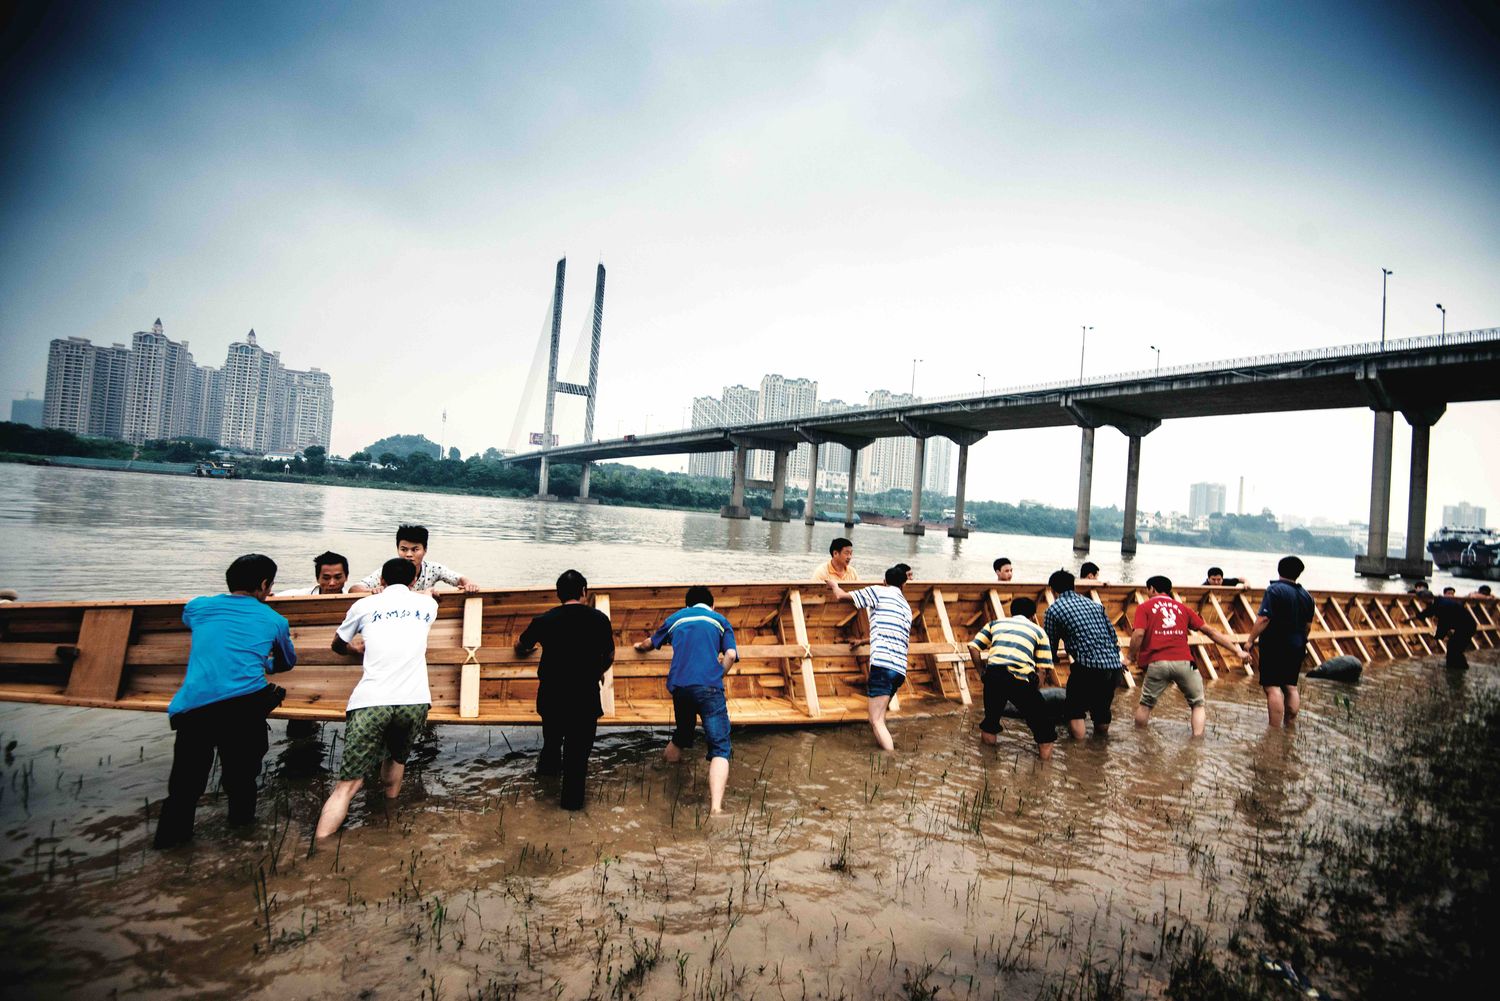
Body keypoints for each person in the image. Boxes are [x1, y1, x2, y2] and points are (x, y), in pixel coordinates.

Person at [153, 554, 295, 849]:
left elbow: (190, 619)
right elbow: (286, 662)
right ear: (265, 585)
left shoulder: (199, 607)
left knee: (184, 787)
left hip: (195, 709)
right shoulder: (275, 620)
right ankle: (241, 838)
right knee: (241, 781)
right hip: (243, 710)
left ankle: (170, 846)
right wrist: (265, 664)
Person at [315, 557, 439, 840]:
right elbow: (426, 598)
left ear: (381, 581)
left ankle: (320, 846)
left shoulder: (364, 604)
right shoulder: (427, 604)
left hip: (371, 701)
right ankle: (387, 820)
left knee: (347, 785)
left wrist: (352, 649)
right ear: (412, 582)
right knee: (396, 760)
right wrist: (424, 592)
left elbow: (337, 645)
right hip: (414, 700)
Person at [514, 569, 615, 810]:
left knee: (551, 743)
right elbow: (610, 654)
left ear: (558, 594)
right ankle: (570, 810)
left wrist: (525, 649)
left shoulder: (544, 620)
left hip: (552, 696)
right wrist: (598, 669)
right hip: (585, 696)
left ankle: (544, 789)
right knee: (577, 755)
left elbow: (521, 644)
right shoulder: (599, 620)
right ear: (584, 592)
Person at [633, 586, 738, 815]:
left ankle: (669, 776)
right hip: (709, 688)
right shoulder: (720, 620)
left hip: (680, 688)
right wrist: (719, 674)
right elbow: (730, 654)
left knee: (682, 734)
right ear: (712, 605)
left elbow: (649, 643)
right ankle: (716, 809)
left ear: (687, 604)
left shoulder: (676, 618)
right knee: (720, 747)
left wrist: (638, 647)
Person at [1129, 575, 1248, 737]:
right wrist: (1237, 651)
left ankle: (1139, 740)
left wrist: (1130, 657)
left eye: (1148, 590)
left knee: (1146, 705)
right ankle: (1196, 743)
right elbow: (1211, 633)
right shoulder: (1183, 608)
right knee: (1198, 705)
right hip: (1184, 662)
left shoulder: (1144, 607)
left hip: (1158, 663)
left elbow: (1138, 635)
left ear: (1152, 589)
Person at [829, 565, 913, 751]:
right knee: (880, 716)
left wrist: (834, 584)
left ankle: (889, 760)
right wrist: (862, 641)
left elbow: (841, 596)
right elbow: (889, 633)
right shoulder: (906, 608)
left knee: (874, 720)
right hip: (899, 669)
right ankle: (884, 751)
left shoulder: (879, 591)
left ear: (884, 582)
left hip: (882, 666)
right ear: (903, 585)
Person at [968, 596, 1057, 759]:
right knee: (1044, 728)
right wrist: (1035, 692)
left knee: (990, 723)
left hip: (993, 676)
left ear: (1012, 612)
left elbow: (973, 646)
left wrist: (982, 672)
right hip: (1019, 678)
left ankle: (988, 767)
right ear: (1032, 615)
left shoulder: (996, 624)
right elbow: (1043, 669)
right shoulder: (1038, 630)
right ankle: (1045, 769)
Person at [1043, 569, 1124, 738]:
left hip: (1088, 667)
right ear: (1073, 587)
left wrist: (1051, 662)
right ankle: (1099, 749)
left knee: (1074, 710)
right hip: (1114, 666)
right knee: (1101, 710)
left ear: (1053, 590)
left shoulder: (1054, 610)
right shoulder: (1096, 606)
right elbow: (1113, 637)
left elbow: (1049, 643)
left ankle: (1078, 753)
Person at [1246, 556, 1315, 727]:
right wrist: (1301, 641)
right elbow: (1307, 626)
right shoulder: (1307, 596)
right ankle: (1290, 724)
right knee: (1290, 686)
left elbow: (1264, 619)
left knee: (1272, 687)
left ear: (1279, 570)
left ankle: (1275, 730)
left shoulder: (1274, 590)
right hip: (1298, 645)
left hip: (1275, 645)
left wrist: (1250, 641)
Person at [351, 524, 478, 594]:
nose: (409, 554)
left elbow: (459, 579)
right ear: (397, 549)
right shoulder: (388, 570)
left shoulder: (434, 569)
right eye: (404, 549)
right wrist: (372, 590)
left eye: (415, 549)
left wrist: (469, 584)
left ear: (425, 550)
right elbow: (354, 589)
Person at [1413, 586, 1478, 670]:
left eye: (1421, 600)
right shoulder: (1438, 601)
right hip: (1463, 626)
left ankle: (1459, 668)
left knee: (1454, 648)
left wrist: (1437, 636)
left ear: (1425, 599)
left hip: (1467, 626)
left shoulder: (1442, 606)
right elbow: (1430, 611)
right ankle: (1454, 667)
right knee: (1453, 647)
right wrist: (1419, 616)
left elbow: (1444, 624)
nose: (1421, 602)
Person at [282, 551, 351, 595]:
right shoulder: (298, 597)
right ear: (317, 578)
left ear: (346, 577)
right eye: (326, 578)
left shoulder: (355, 601)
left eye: (337, 577)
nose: (332, 583)